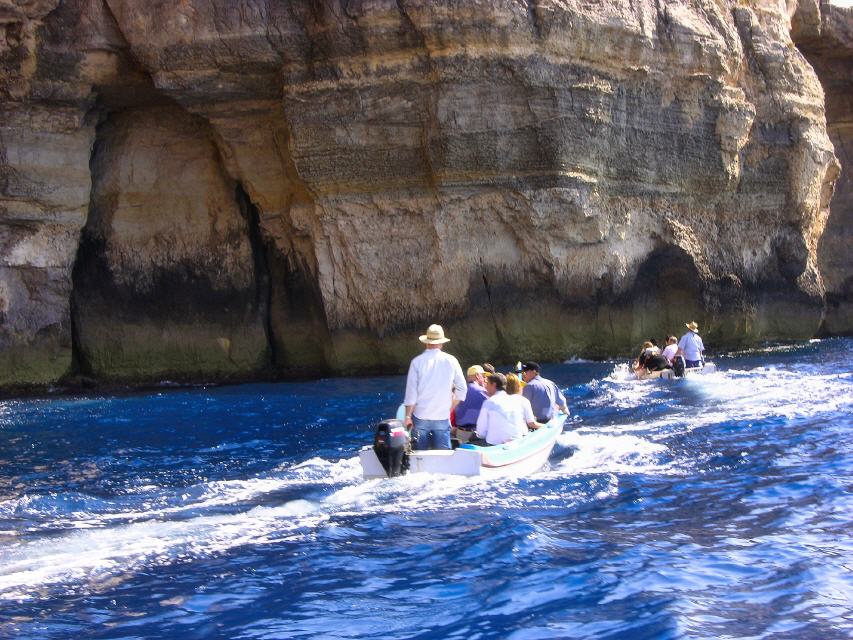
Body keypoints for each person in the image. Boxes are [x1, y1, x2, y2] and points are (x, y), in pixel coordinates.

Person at [403, 324, 467, 450]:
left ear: (426, 342)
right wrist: (450, 408)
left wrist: (407, 416)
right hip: (442, 416)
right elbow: (462, 389)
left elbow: (411, 393)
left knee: (419, 457)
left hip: (421, 416)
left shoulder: (417, 362)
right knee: (443, 457)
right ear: (442, 343)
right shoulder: (451, 360)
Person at [473, 373, 543, 445]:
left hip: (495, 446)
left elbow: (481, 433)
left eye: (487, 384)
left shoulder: (488, 403)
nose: (485, 387)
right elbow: (530, 423)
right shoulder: (517, 401)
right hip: (518, 443)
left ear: (493, 385)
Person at [453, 365, 489, 443]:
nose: (484, 379)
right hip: (477, 434)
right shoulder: (482, 391)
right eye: (483, 376)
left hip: (461, 433)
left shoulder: (460, 392)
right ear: (477, 376)